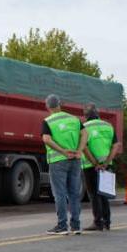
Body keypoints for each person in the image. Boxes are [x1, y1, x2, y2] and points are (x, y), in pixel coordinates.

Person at [42, 94, 88, 235]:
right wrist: (79, 150)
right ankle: (76, 226)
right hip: (75, 160)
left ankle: (62, 226)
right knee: (74, 193)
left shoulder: (48, 121)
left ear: (47, 106)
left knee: (59, 193)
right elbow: (85, 134)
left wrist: (62, 151)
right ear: (60, 104)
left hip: (58, 161)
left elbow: (46, 139)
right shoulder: (74, 119)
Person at [81, 104, 121, 231]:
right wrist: (107, 162)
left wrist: (95, 163)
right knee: (104, 193)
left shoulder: (84, 127)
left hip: (90, 166)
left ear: (86, 116)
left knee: (94, 194)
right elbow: (115, 146)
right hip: (106, 165)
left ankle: (97, 222)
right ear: (98, 114)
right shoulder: (108, 126)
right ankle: (107, 222)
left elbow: (85, 147)